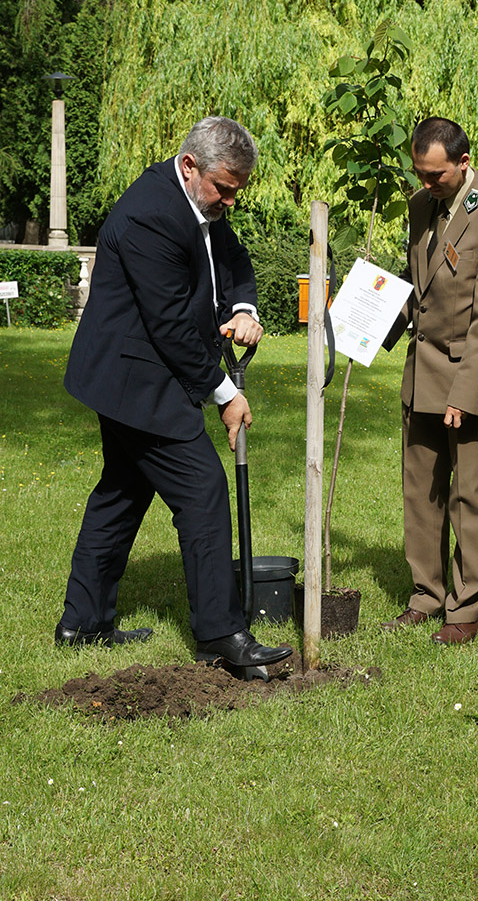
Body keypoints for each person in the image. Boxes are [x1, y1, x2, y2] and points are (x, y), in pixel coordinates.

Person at [55, 116, 292, 670]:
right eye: (224, 188)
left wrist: (243, 307)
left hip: (130, 374)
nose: (230, 201)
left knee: (121, 494)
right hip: (134, 377)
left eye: (237, 191)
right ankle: (219, 635)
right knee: (203, 490)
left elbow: (230, 259)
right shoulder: (151, 215)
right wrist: (226, 393)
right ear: (190, 167)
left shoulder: (199, 203)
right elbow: (170, 326)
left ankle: (82, 625)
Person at [382, 117, 478, 644]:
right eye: (419, 173)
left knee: (469, 495)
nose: (426, 184)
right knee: (420, 492)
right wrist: (365, 324)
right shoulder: (421, 207)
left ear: (464, 163)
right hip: (422, 371)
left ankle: (463, 611)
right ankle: (425, 595)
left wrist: (467, 395)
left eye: (436, 174)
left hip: (470, 376)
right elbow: (419, 288)